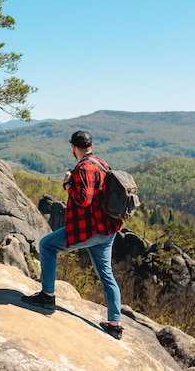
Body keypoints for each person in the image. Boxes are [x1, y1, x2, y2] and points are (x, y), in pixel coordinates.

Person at [22, 130, 125, 340]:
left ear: (73, 148)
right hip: (107, 229)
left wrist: (68, 183)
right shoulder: (100, 163)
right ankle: (115, 324)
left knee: (47, 246)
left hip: (89, 229)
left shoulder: (84, 167)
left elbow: (83, 199)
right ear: (91, 146)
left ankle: (47, 296)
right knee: (106, 274)